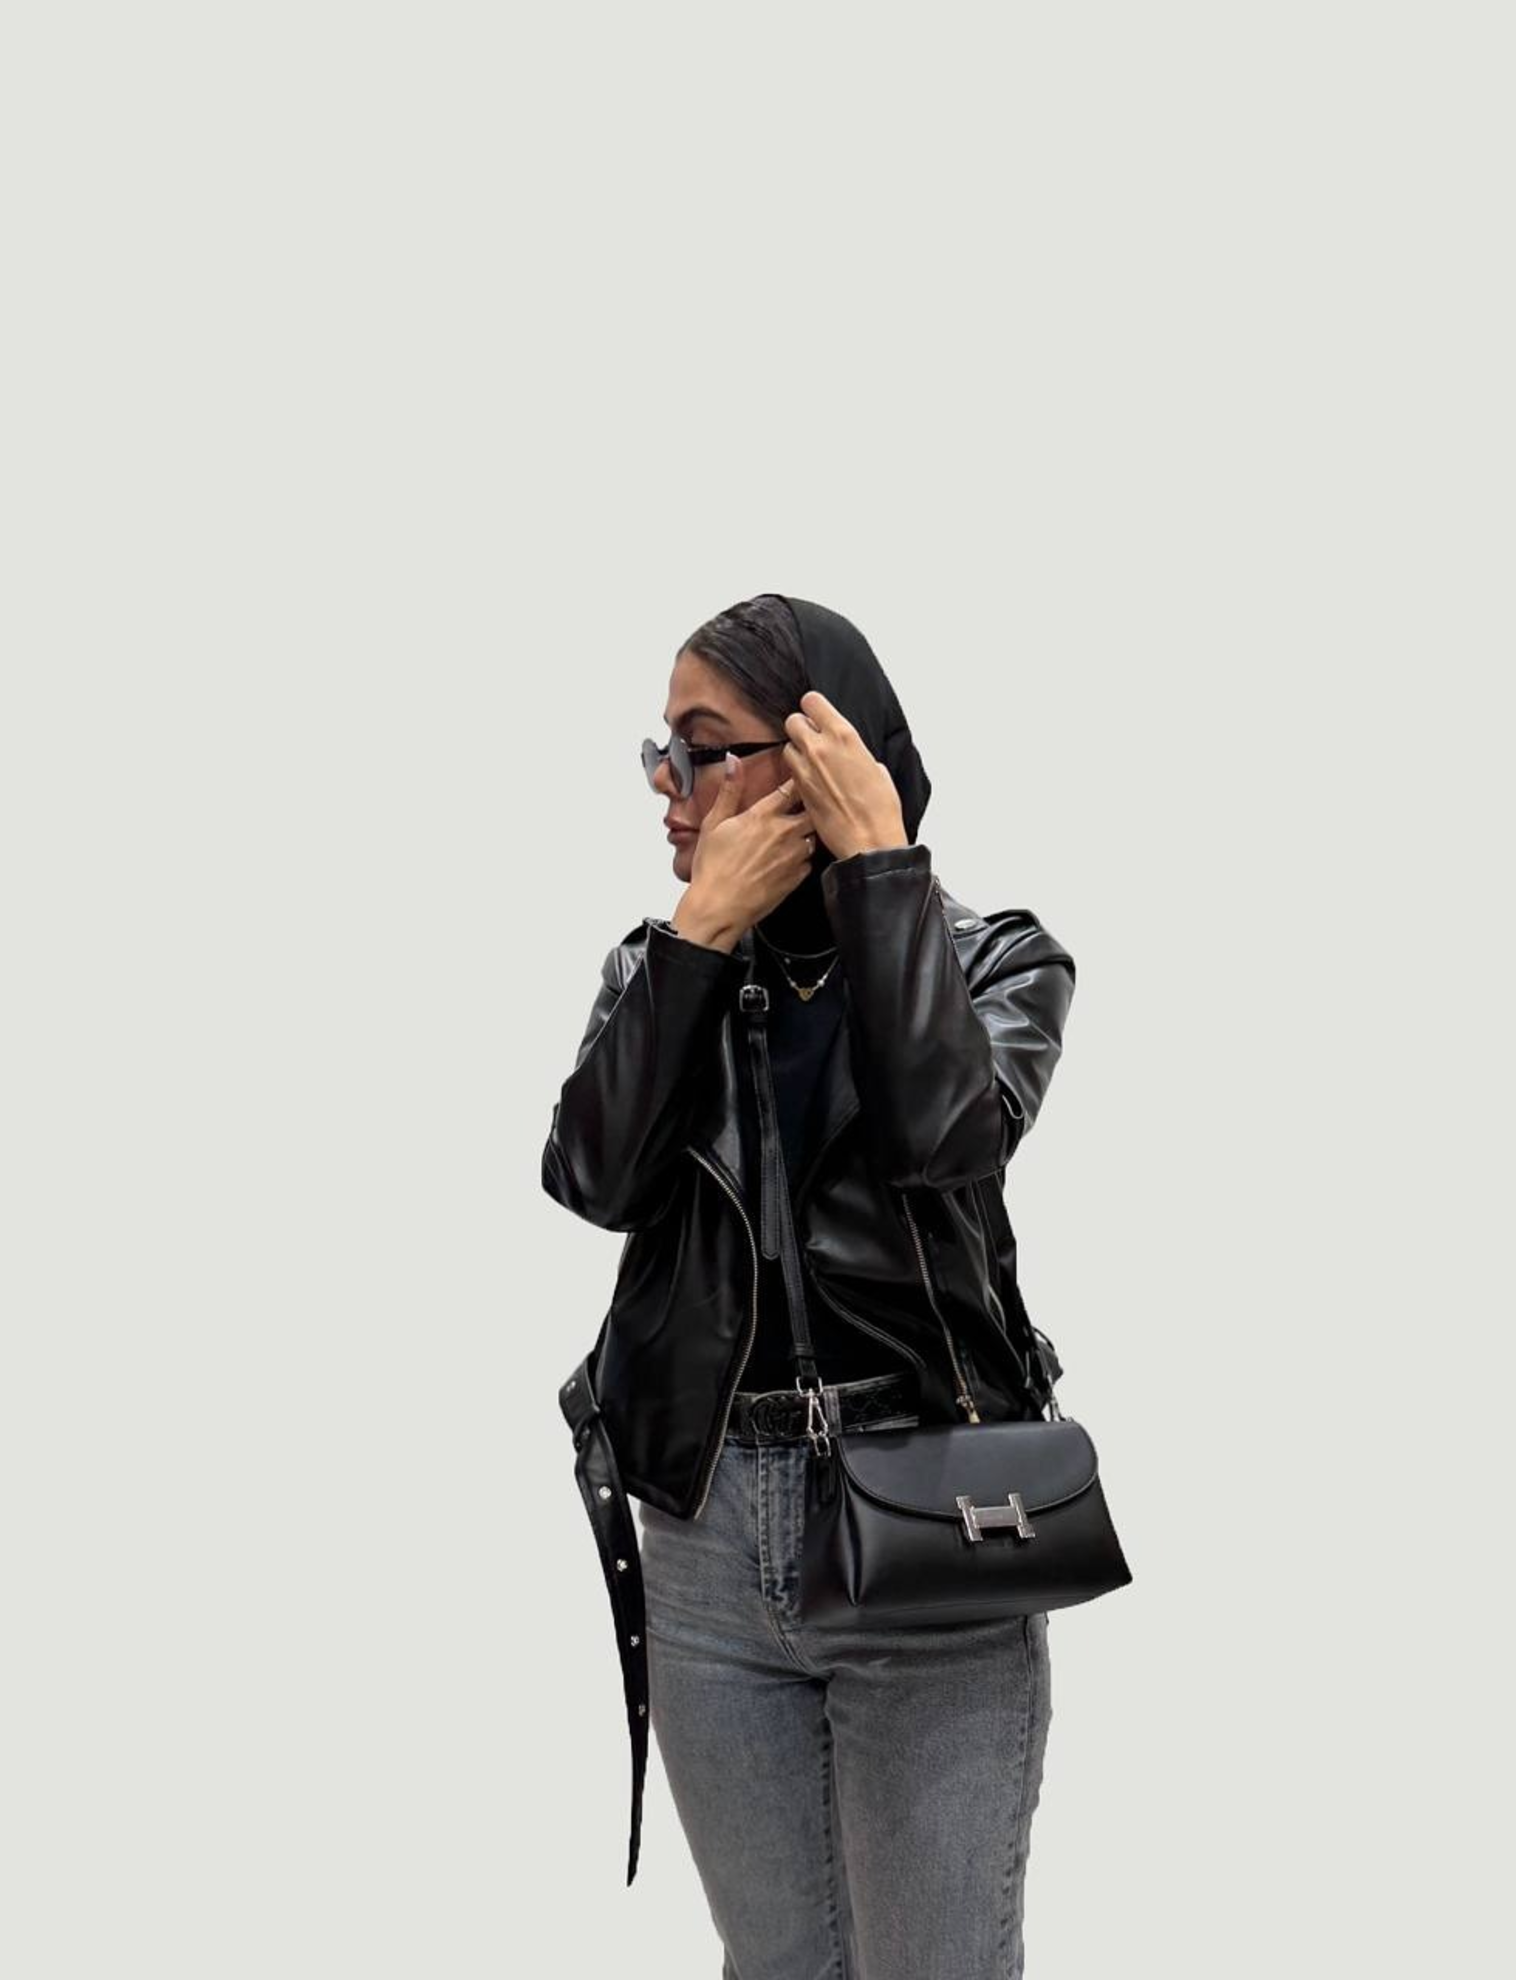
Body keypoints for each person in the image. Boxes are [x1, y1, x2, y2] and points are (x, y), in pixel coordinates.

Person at [543, 592, 1077, 1977]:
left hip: (926, 1529)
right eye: (658, 749)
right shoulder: (659, 969)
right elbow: (591, 1178)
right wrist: (701, 936)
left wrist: (880, 870)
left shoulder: (997, 961)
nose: (666, 783)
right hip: (709, 1540)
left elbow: (945, 1144)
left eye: (701, 747)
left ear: (821, 757)